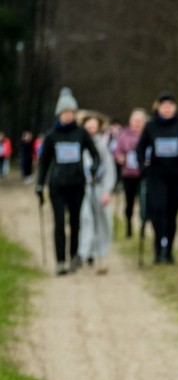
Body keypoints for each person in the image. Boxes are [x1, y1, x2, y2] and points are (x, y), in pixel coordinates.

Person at [35, 88, 100, 275]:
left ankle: (73, 257)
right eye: (65, 112)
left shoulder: (81, 133)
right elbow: (44, 162)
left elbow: (95, 155)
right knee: (59, 223)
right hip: (57, 185)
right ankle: (60, 261)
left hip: (77, 185)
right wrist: (40, 184)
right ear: (59, 114)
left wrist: (94, 168)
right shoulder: (51, 135)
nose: (68, 115)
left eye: (71, 112)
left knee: (75, 222)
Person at [136, 91, 178, 264]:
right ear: (159, 108)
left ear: (174, 107)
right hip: (156, 176)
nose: (167, 109)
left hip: (177, 177)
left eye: (170, 105)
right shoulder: (151, 126)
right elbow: (140, 148)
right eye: (164, 106)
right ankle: (158, 247)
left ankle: (169, 250)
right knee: (158, 211)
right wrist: (142, 166)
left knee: (172, 213)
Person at [78, 114, 117, 274]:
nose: (91, 130)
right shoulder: (79, 144)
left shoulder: (103, 146)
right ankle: (84, 252)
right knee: (86, 219)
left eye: (94, 127)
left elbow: (109, 170)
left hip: (99, 188)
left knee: (102, 221)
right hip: (84, 188)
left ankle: (100, 252)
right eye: (88, 127)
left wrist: (107, 191)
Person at [112, 108, 147, 239]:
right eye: (135, 120)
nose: (137, 123)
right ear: (130, 121)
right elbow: (116, 151)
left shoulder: (147, 134)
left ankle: (143, 225)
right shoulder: (123, 135)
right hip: (128, 174)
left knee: (144, 202)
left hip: (143, 174)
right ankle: (129, 225)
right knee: (129, 202)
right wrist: (119, 158)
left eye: (140, 121)